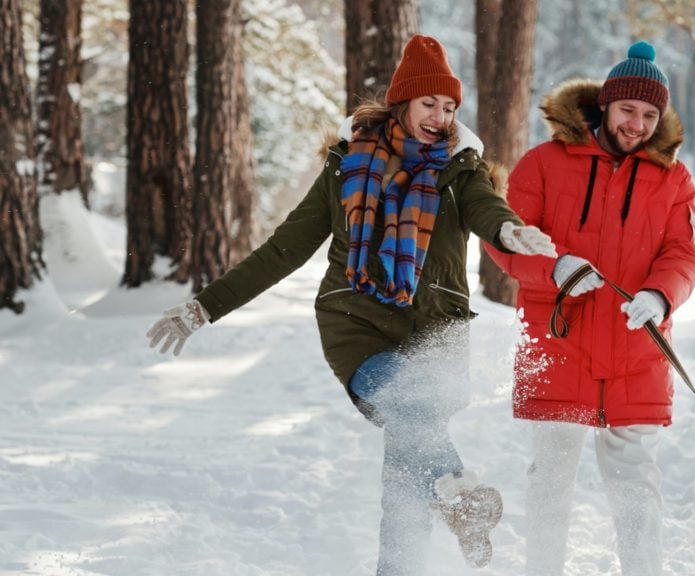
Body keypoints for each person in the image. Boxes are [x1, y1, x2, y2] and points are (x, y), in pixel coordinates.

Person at [146, 35, 557, 575]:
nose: (440, 115)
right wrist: (204, 307)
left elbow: (486, 208)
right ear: (402, 104)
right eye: (429, 103)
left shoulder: (461, 171)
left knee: (407, 470)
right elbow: (285, 248)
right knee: (411, 410)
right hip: (358, 326)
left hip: (437, 333)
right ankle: (460, 499)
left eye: (450, 106)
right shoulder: (347, 167)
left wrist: (508, 231)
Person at [485, 41, 695, 576]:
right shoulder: (543, 163)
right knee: (552, 481)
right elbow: (504, 238)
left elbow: (683, 254)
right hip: (562, 341)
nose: (638, 124)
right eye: (629, 110)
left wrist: (659, 294)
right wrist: (553, 267)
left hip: (636, 348)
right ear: (604, 105)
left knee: (636, 485)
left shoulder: (673, 178)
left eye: (651, 114)